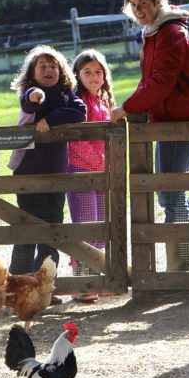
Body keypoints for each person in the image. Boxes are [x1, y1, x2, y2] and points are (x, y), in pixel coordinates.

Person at [110, 0, 189, 271]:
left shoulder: (171, 33)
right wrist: (130, 105)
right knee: (170, 194)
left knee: (171, 196)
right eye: (133, 5)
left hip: (182, 123)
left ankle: (179, 270)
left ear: (158, 2)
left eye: (143, 3)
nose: (138, 10)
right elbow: (149, 82)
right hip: (168, 121)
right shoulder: (154, 32)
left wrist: (128, 107)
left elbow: (162, 83)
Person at [8, 46, 86, 283]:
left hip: (56, 172)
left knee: (52, 227)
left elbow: (80, 112)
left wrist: (50, 119)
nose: (49, 69)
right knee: (27, 226)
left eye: (53, 66)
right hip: (28, 171)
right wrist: (34, 98)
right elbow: (28, 102)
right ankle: (18, 281)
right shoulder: (32, 90)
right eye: (43, 66)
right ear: (32, 72)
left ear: (61, 71)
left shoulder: (67, 93)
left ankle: (44, 282)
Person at [66, 49, 115, 278]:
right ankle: (83, 280)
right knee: (86, 224)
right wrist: (99, 162)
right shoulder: (77, 103)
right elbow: (76, 138)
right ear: (77, 75)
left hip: (102, 171)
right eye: (87, 72)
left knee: (101, 225)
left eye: (98, 72)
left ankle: (98, 276)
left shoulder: (103, 102)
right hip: (81, 170)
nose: (94, 76)